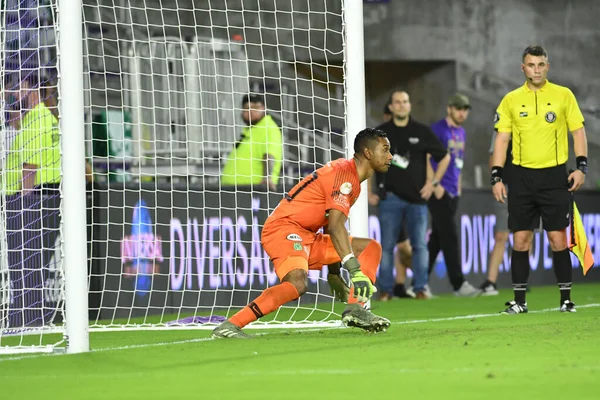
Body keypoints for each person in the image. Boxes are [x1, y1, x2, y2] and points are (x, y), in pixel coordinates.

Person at [213, 128, 393, 338]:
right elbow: (336, 227)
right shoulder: (346, 178)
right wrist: (353, 271)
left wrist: (334, 274)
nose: (390, 156)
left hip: (308, 235)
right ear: (368, 153)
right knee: (297, 284)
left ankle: (355, 309)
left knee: (370, 247)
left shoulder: (349, 176)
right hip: (285, 229)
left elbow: (330, 226)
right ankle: (231, 325)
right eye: (385, 150)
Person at [491, 45, 588, 314]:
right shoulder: (510, 99)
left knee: (558, 239)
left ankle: (566, 299)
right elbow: (502, 139)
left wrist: (581, 167)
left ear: (548, 66)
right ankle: (520, 301)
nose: (536, 69)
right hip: (521, 177)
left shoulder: (563, 95)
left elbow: (578, 132)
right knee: (520, 240)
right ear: (523, 68)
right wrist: (496, 176)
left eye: (541, 64)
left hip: (555, 175)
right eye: (531, 65)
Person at [370, 90, 450, 300]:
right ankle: (386, 290)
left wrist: (433, 183)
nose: (401, 105)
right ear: (391, 106)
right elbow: (368, 162)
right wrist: (370, 191)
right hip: (390, 198)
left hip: (418, 199)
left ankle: (420, 288)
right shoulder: (380, 133)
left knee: (420, 245)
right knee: (386, 246)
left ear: (409, 105)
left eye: (405, 101)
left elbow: (444, 157)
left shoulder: (422, 131)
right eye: (397, 102)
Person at [426, 94, 480, 297]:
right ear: (449, 108)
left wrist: (457, 187)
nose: (462, 112)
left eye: (465, 109)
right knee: (449, 235)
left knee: (437, 240)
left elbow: (458, 161)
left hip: (451, 190)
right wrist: (434, 184)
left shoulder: (461, 132)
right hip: (439, 190)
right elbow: (427, 157)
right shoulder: (438, 129)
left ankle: (419, 283)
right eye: (458, 108)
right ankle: (458, 284)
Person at [221, 93, 283, 190]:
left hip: (254, 191)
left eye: (254, 107)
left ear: (263, 108)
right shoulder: (249, 130)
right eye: (246, 108)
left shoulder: (269, 128)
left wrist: (267, 177)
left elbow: (269, 155)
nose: (250, 111)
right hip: (236, 190)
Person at [479, 131, 512, 296]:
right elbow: (494, 154)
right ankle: (491, 281)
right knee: (501, 234)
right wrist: (496, 181)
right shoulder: (501, 126)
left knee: (526, 233)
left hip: (527, 184)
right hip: (505, 185)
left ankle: (522, 279)